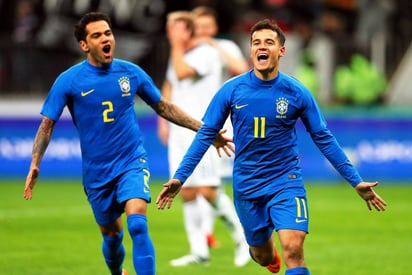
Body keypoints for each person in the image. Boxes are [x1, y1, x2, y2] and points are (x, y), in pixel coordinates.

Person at [156, 19, 387, 275]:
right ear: (251, 50)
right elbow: (205, 135)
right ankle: (268, 254)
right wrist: (180, 177)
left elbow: (324, 137)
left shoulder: (296, 91)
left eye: (268, 42)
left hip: (285, 181)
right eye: (256, 43)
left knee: (293, 247)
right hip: (247, 185)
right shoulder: (232, 90)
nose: (261, 47)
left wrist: (355, 181)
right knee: (263, 257)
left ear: (281, 51)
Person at [23, 12, 233, 275]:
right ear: (84, 45)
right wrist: (35, 162)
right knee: (112, 238)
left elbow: (164, 106)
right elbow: (47, 124)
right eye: (97, 35)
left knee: (137, 224)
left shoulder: (130, 72)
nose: (105, 38)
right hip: (97, 173)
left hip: (131, 162)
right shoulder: (69, 80)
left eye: (108, 33)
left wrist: (206, 130)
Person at [157, 11, 249, 267]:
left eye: (175, 28)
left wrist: (176, 45)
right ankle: (199, 251)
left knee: (208, 190)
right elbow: (170, 83)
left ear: (187, 30)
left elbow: (184, 73)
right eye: (169, 28)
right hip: (179, 130)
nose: (171, 33)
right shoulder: (179, 54)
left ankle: (242, 238)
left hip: (204, 128)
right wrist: (162, 120)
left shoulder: (208, 53)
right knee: (185, 191)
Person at [191, 6, 249, 249]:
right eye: (199, 27)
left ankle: (238, 231)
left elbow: (242, 69)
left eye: (207, 27)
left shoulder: (225, 47)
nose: (203, 32)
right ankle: (207, 234)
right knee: (200, 181)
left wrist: (214, 47)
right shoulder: (189, 51)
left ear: (214, 28)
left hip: (223, 120)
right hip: (194, 118)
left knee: (213, 180)